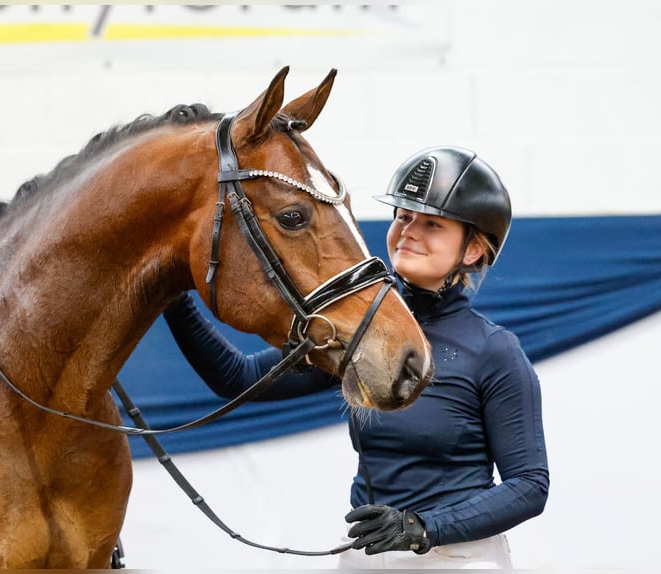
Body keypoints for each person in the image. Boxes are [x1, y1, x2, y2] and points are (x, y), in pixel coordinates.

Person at [162, 145, 549, 569]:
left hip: (455, 558)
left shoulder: (495, 351)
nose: (408, 231)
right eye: (403, 216)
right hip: (365, 556)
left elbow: (529, 485)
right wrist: (171, 295)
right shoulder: (362, 332)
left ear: (473, 250)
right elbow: (236, 378)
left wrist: (422, 527)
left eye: (432, 224)